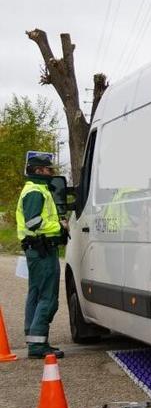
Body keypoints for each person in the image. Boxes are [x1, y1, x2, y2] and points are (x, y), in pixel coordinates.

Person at [16, 152, 67, 358]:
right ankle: (38, 345)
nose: (51, 173)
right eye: (48, 170)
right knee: (47, 297)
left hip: (36, 249)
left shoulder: (34, 189)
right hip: (42, 249)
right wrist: (60, 225)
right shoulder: (36, 191)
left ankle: (33, 338)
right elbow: (33, 222)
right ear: (38, 170)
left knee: (36, 294)